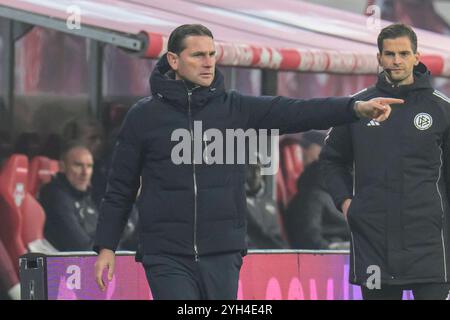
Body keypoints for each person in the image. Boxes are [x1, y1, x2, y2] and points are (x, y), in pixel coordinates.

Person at [93, 24, 402, 300]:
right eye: (198, 55)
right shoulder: (144, 117)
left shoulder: (234, 108)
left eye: (212, 54)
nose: (208, 62)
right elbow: (120, 186)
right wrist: (106, 246)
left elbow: (297, 111)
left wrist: (354, 108)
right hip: (165, 253)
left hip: (222, 252)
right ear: (174, 61)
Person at [321, 23, 450, 300]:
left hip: (430, 245)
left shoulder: (441, 109)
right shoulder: (357, 107)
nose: (397, 60)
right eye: (390, 54)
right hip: (374, 242)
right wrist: (346, 203)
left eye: (404, 53)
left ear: (417, 57)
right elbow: (331, 160)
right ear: (379, 58)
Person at [284, 131, 350, 250]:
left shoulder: (313, 193)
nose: (301, 152)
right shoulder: (338, 192)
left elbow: (309, 238)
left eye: (307, 147)